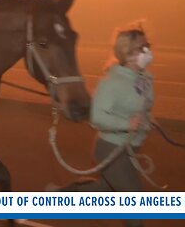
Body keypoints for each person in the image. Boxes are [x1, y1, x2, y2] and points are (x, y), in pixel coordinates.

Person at [47, 25, 155, 227]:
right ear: (128, 54)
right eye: (143, 47)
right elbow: (96, 116)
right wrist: (126, 123)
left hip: (131, 147)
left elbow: (141, 105)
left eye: (148, 45)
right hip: (111, 149)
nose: (148, 51)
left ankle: (61, 195)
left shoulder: (144, 78)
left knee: (102, 191)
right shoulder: (112, 82)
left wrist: (147, 119)